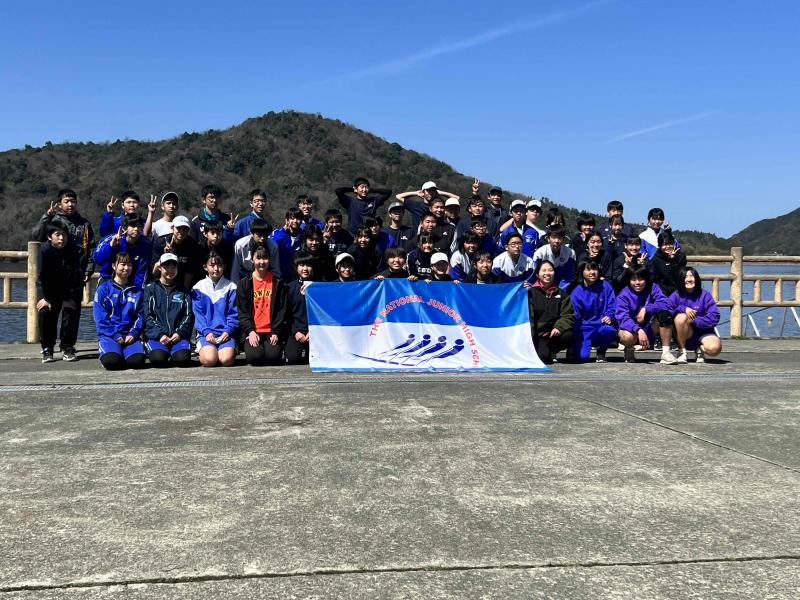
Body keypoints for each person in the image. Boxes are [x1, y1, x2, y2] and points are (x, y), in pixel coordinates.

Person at [36, 222, 83, 363]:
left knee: (71, 310)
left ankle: (67, 346)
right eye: (58, 235)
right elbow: (43, 276)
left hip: (69, 288)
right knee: (45, 312)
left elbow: (75, 275)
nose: (62, 238)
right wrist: (46, 298)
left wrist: (69, 298)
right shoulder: (45, 250)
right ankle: (47, 348)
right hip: (48, 288)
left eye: (64, 235)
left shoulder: (73, 249)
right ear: (49, 237)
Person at [31, 188, 96, 287]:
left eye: (73, 201)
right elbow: (37, 236)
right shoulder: (53, 221)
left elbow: (91, 248)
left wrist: (89, 270)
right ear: (60, 204)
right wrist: (47, 216)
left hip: (77, 271)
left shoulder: (85, 224)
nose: (70, 204)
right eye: (66, 202)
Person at [93, 252, 146, 370]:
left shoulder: (137, 291)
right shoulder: (104, 289)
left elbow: (141, 316)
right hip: (110, 335)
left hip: (130, 336)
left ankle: (126, 352)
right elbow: (100, 317)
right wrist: (115, 335)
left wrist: (133, 334)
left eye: (129, 265)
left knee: (137, 362)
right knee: (112, 362)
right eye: (122, 264)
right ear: (114, 266)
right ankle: (111, 353)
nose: (126, 268)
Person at [236, 245, 287, 365]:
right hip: (253, 330)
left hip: (271, 330)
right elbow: (242, 312)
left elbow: (282, 310)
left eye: (265, 258)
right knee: (255, 357)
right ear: (252, 260)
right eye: (258, 258)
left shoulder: (277, 282)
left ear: (270, 260)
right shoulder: (244, 284)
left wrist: (275, 331)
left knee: (273, 357)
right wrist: (250, 332)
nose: (262, 262)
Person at [615, 266, 676, 364]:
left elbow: (666, 304)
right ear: (629, 280)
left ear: (646, 279)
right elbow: (622, 318)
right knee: (627, 337)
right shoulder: (623, 295)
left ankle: (666, 352)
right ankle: (629, 348)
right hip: (633, 332)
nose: (637, 283)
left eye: (641, 279)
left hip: (650, 328)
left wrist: (647, 308)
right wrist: (638, 330)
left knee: (665, 315)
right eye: (633, 280)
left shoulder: (653, 287)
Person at [142, 253, 194, 367]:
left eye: (173, 267)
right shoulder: (150, 289)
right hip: (157, 337)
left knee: (182, 359)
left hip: (178, 337)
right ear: (160, 268)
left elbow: (188, 315)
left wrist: (179, 333)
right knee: (158, 360)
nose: (170, 270)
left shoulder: (183, 290)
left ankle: (175, 351)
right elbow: (148, 315)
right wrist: (160, 335)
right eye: (166, 267)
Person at [191, 253, 238, 368]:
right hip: (206, 334)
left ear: (224, 266)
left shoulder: (231, 287)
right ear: (205, 267)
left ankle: (227, 348)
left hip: (226, 334)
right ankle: (205, 350)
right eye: (212, 265)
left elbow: (234, 313)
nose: (216, 269)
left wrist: (228, 331)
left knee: (226, 360)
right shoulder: (198, 287)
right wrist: (206, 332)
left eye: (219, 265)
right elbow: (198, 315)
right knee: (210, 360)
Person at [670, 267, 722, 364]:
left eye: (692, 276)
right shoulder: (676, 295)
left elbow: (714, 317)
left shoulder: (705, 295)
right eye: (685, 277)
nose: (689, 279)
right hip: (684, 334)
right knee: (681, 318)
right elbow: (666, 311)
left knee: (714, 349)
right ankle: (682, 351)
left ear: (696, 278)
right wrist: (682, 309)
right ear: (680, 279)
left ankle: (700, 348)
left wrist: (694, 321)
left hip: (704, 332)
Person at [569, 259, 617, 363]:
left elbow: (612, 304)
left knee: (610, 331)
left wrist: (609, 315)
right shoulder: (576, 292)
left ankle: (601, 351)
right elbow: (574, 316)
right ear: (582, 272)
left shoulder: (605, 286)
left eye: (594, 269)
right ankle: (573, 347)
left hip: (600, 325)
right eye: (588, 269)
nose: (592, 272)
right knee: (582, 358)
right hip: (583, 329)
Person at [528, 260, 575, 364]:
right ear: (537, 274)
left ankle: (553, 350)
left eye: (550, 270)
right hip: (538, 335)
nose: (547, 273)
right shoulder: (531, 293)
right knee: (543, 358)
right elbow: (529, 318)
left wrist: (558, 327)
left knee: (568, 334)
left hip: (554, 334)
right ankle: (545, 352)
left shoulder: (562, 294)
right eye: (544, 270)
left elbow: (568, 315)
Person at [94, 214, 153, 288]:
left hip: (131, 283)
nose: (136, 229)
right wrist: (111, 246)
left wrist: (139, 290)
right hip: (108, 279)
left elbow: (141, 271)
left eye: (139, 226)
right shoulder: (112, 239)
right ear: (124, 228)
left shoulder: (145, 245)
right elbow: (98, 260)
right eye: (133, 226)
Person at [152, 215, 202, 287]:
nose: (181, 232)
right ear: (172, 228)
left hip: (180, 284)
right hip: (160, 284)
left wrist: (185, 289)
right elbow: (154, 272)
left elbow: (190, 271)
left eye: (185, 229)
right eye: (178, 228)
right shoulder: (161, 242)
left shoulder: (192, 246)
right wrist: (165, 257)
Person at [395, 181, 460, 232]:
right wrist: (416, 193)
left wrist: (441, 193)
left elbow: (456, 198)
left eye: (433, 191)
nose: (430, 193)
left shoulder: (439, 206)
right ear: (423, 192)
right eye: (428, 191)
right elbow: (398, 196)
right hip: (418, 238)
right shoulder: (415, 205)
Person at [285, 254, 316, 364]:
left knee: (315, 359)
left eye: (308, 265)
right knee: (293, 357)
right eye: (302, 265)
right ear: (296, 267)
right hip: (297, 330)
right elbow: (287, 315)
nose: (305, 269)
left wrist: (313, 331)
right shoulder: (290, 288)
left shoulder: (319, 286)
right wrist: (296, 332)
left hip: (315, 331)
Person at [532, 224, 576, 289]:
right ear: (548, 239)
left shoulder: (570, 253)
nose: (557, 241)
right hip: (542, 287)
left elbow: (568, 277)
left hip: (561, 288)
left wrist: (559, 291)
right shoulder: (540, 254)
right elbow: (535, 275)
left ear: (564, 239)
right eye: (554, 237)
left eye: (560, 238)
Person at [649, 231, 687, 297]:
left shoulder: (680, 256)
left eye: (670, 244)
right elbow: (653, 279)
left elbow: (680, 276)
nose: (668, 247)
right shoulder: (655, 259)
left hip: (678, 292)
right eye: (665, 244)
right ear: (659, 245)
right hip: (662, 293)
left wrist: (673, 260)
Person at [269, 209, 304, 281]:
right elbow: (271, 244)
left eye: (298, 218)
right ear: (287, 220)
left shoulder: (304, 236)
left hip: (297, 277)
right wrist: (284, 231)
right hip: (279, 276)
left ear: (301, 221)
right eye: (292, 218)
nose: (295, 221)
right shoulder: (278, 233)